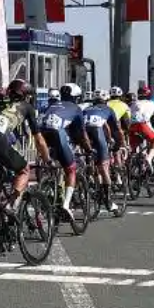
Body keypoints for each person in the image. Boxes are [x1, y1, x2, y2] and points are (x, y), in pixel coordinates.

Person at [0, 80, 46, 195]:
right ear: (25, 96)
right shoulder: (27, 107)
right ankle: (11, 203)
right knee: (24, 170)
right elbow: (39, 139)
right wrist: (47, 159)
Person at [38, 83, 91, 217]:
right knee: (71, 169)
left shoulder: (52, 105)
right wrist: (88, 149)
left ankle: (50, 187)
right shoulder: (76, 108)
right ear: (76, 97)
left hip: (41, 134)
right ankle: (66, 205)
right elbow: (82, 134)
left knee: (53, 163)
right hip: (57, 134)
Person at [81, 89, 120, 213]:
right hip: (97, 133)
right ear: (106, 100)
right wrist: (116, 143)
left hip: (83, 135)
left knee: (92, 161)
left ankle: (96, 187)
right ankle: (108, 201)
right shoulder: (108, 109)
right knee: (103, 167)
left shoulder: (86, 109)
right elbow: (115, 129)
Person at [127, 86, 154, 166]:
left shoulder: (133, 104)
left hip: (132, 125)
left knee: (134, 144)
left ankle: (130, 159)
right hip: (143, 124)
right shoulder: (153, 104)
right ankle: (149, 158)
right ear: (149, 95)